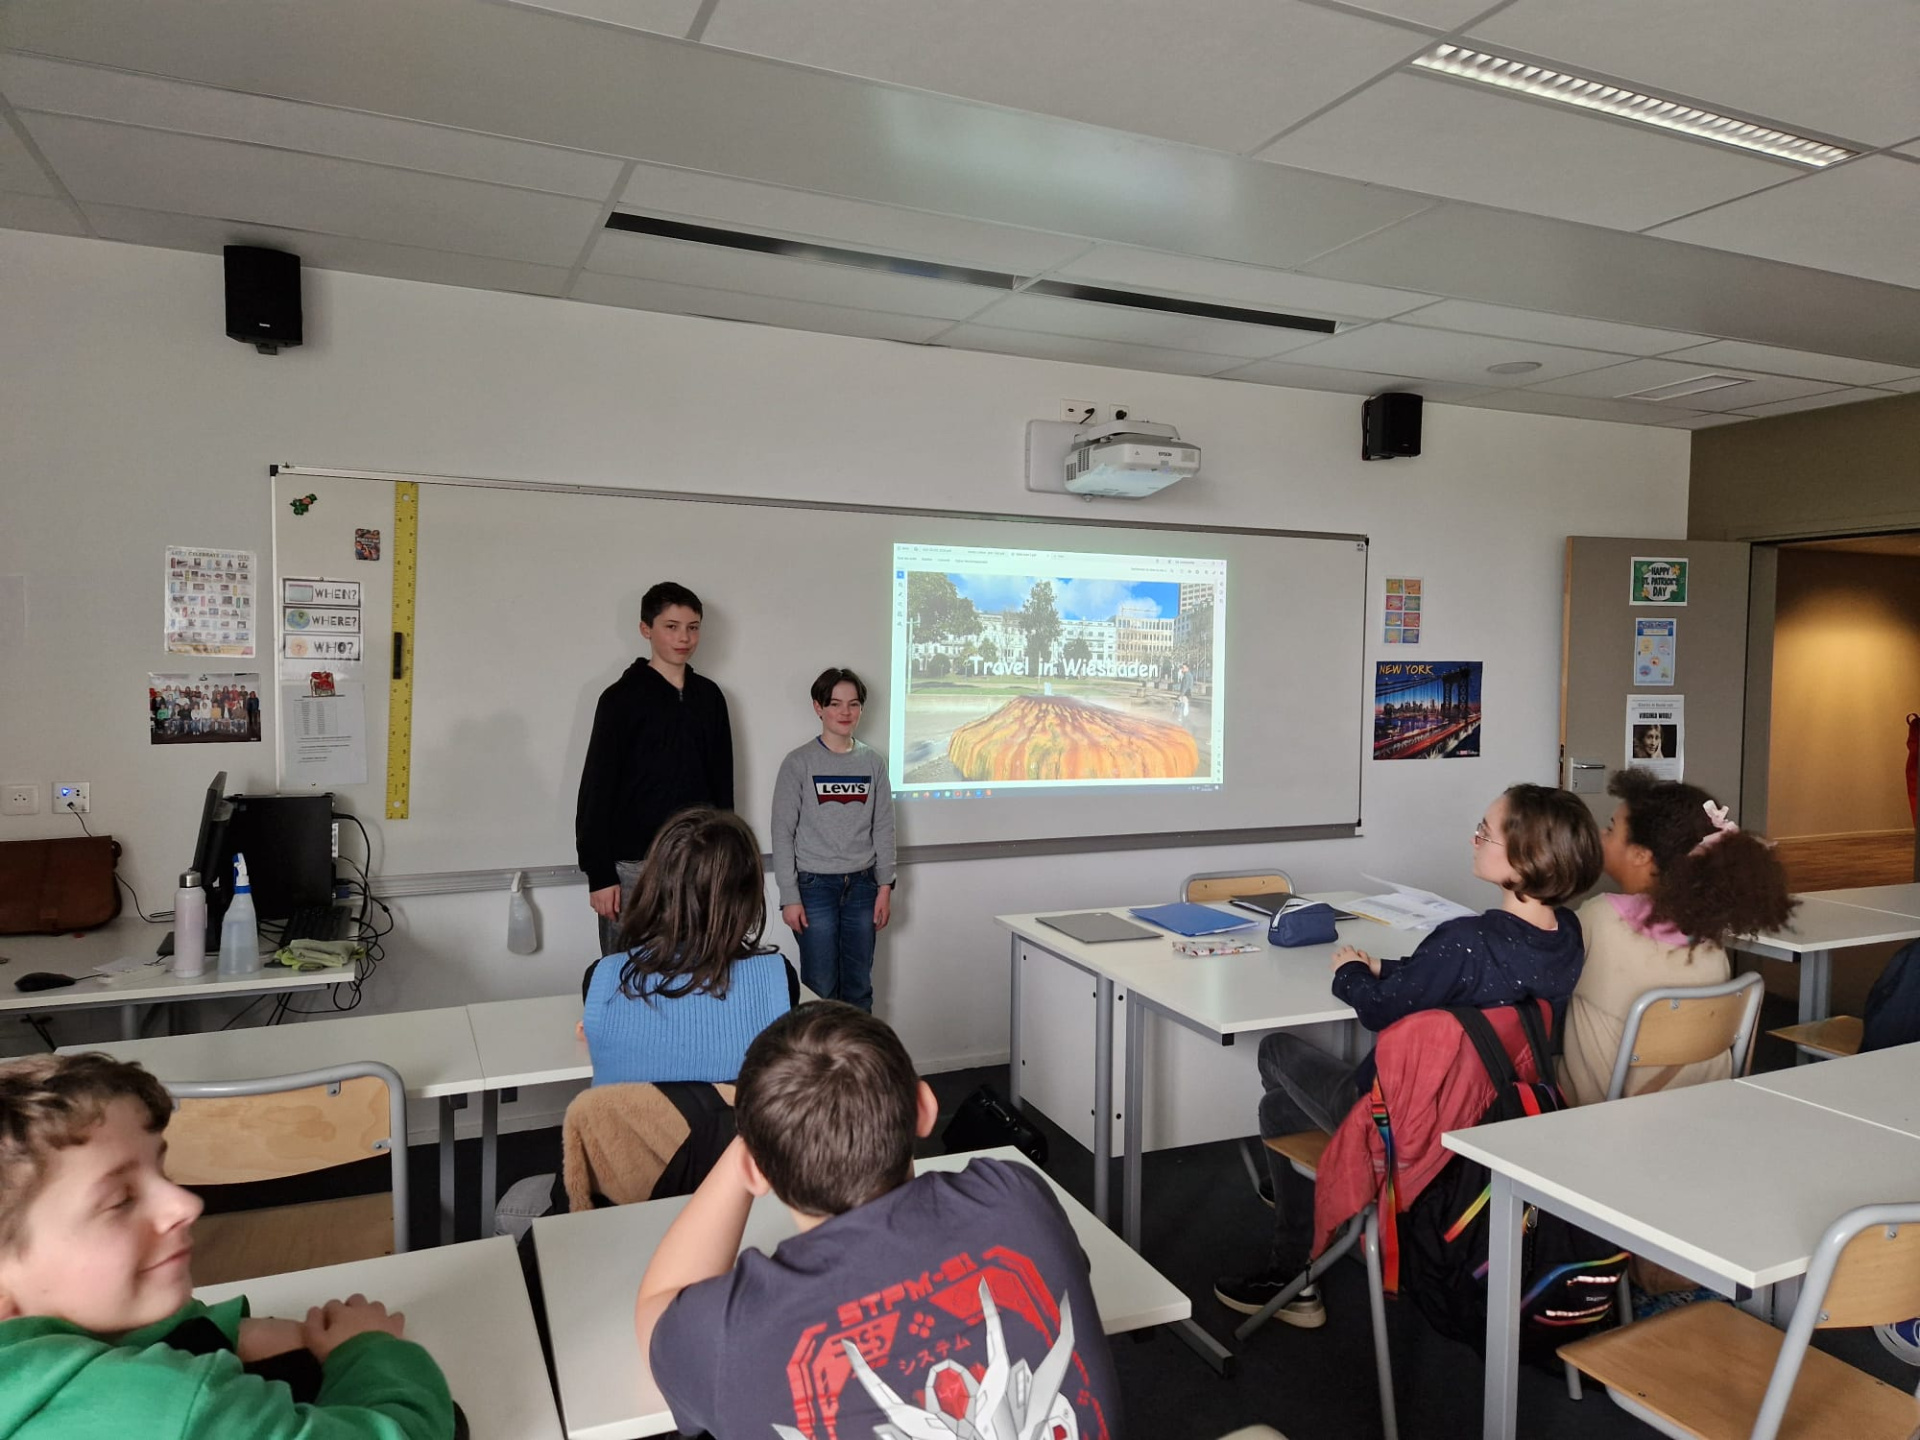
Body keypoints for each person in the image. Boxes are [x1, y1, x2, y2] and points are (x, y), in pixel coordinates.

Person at [636, 1003, 1122, 1440]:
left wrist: (754, 1145)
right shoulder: (1017, 1196)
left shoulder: (729, 1335)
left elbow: (660, 1309)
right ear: (924, 1109)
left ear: (753, 1170)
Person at [1214, 782, 1603, 1325]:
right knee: (1279, 1111)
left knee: (1276, 1053)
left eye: (1484, 832)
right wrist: (1390, 968)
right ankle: (1304, 1221)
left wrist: (1351, 972)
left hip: (1405, 1122)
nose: (1474, 839)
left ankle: (1294, 1270)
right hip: (1493, 1115)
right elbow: (1472, 986)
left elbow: (1379, 1009)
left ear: (1524, 856)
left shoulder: (1467, 940)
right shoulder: (1565, 935)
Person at [0, 1052, 455, 1440]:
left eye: (162, 1172)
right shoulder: (172, 1405)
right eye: (120, 1200)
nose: (187, 1204)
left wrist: (222, 1330)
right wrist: (366, 1349)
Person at [1557, 771, 1794, 1107]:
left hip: (1611, 1113)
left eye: (1610, 829)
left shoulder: (1600, 917)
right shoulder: (1708, 936)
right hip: (1701, 1108)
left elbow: (1546, 974)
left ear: (1641, 855)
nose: (1600, 835)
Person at [575, 582, 734, 956]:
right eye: (671, 626)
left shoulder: (710, 697)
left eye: (693, 627)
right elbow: (596, 789)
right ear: (646, 629)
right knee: (628, 974)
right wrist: (600, 875)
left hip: (697, 862)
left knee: (697, 971)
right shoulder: (619, 699)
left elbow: (722, 786)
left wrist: (724, 861)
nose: (684, 638)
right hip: (634, 868)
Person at [581, 808, 794, 1086]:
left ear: (653, 884)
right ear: (749, 893)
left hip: (631, 1117)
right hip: (736, 1117)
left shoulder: (600, 978)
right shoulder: (781, 979)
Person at [769, 668, 896, 1012]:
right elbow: (782, 832)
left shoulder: (873, 762)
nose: (845, 712)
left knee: (859, 988)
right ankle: (820, 1050)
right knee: (820, 989)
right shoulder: (798, 763)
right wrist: (790, 896)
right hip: (814, 889)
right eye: (835, 703)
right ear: (818, 707)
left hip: (863, 887)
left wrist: (885, 887)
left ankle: (857, 1049)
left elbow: (884, 827)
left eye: (853, 704)